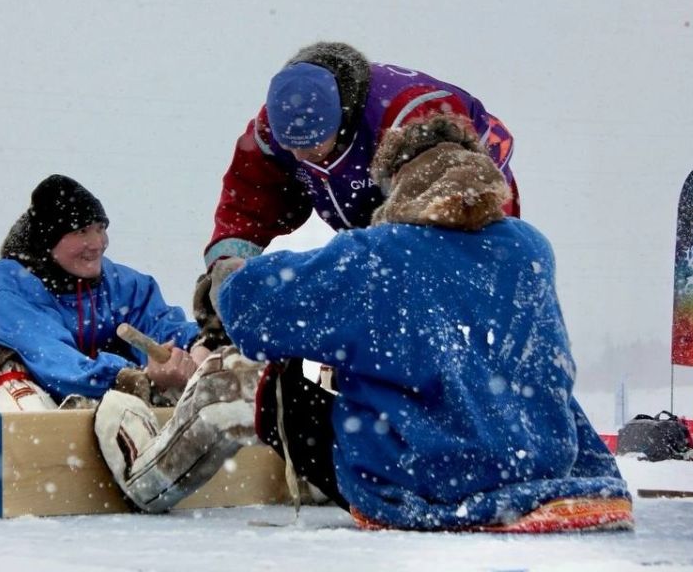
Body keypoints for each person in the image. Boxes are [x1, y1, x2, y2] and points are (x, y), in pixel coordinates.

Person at [96, 114, 631, 532]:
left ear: (400, 182)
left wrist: (230, 268)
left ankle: (144, 476)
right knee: (352, 381)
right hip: (544, 469)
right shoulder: (530, 248)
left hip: (427, 479)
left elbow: (252, 308)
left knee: (228, 383)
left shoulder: (382, 254)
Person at [0, 175, 209, 414]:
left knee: (174, 382)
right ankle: (50, 451)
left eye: (100, 228)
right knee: (1, 368)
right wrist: (134, 379)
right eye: (82, 232)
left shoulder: (117, 284)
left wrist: (199, 347)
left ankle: (158, 440)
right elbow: (51, 359)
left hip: (75, 399)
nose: (96, 242)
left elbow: (159, 322)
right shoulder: (7, 290)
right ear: (49, 241)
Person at [203, 41, 518, 271]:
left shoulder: (412, 118)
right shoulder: (275, 126)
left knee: (455, 279)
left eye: (313, 145)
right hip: (375, 219)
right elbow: (248, 202)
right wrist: (228, 266)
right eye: (291, 147)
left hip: (465, 200)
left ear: (341, 120)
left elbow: (431, 231)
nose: (300, 155)